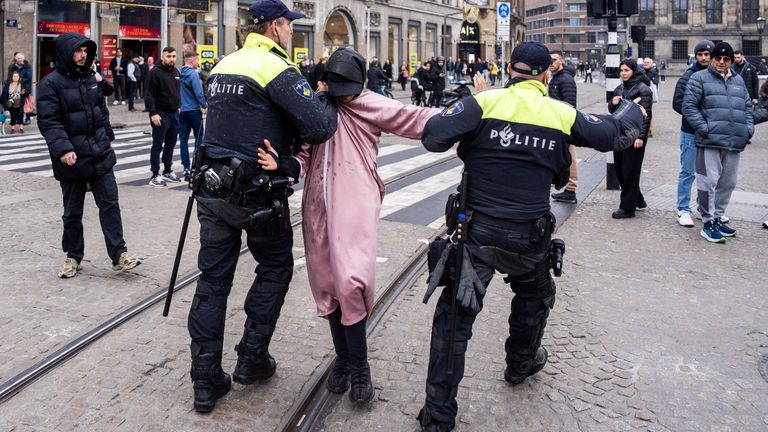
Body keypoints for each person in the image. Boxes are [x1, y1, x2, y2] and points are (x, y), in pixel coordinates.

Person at [416, 41, 645, 432]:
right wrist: (630, 105)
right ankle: (520, 364)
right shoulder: (559, 113)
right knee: (534, 298)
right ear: (545, 74)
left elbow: (433, 135)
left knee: (454, 320)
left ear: (510, 69)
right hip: (529, 238)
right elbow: (615, 133)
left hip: (476, 236)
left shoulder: (485, 103)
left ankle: (438, 415)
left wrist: (471, 104)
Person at [258, 47, 440, 404]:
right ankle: (342, 360)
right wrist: (281, 164)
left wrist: (468, 112)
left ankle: (360, 367)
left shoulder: (373, 104)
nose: (343, 97)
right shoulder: (316, 107)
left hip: (354, 202)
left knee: (351, 281)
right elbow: (304, 154)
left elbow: (414, 118)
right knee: (327, 285)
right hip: (317, 205)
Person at [185, 0, 337, 413]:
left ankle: (204, 380)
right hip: (258, 194)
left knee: (212, 281)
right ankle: (252, 357)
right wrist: (320, 97)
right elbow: (321, 127)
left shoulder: (222, 66)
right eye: (289, 26)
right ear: (275, 27)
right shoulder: (275, 67)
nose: (291, 32)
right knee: (275, 266)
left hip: (213, 190)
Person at [37, 32, 141, 278]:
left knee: (110, 204)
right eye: (78, 51)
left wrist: (109, 140)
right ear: (66, 52)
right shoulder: (50, 84)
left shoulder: (90, 78)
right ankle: (73, 256)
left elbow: (100, 112)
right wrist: (63, 149)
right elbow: (49, 122)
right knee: (73, 212)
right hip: (71, 159)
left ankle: (119, 254)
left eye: (86, 51)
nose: (83, 55)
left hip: (100, 153)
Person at [683, 42, 752, 243]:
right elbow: (689, 107)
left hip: (734, 141)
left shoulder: (738, 81)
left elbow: (747, 107)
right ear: (712, 59)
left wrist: (748, 130)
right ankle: (707, 221)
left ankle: (718, 217)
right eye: (718, 58)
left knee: (727, 183)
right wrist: (705, 129)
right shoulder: (699, 78)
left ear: (731, 61)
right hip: (709, 141)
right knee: (708, 183)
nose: (722, 62)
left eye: (726, 59)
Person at [672, 40, 713, 227]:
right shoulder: (688, 76)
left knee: (709, 174)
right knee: (688, 172)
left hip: (712, 132)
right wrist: (698, 118)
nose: (703, 58)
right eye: (700, 54)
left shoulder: (719, 75)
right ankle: (682, 208)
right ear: (696, 56)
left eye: (706, 54)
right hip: (690, 131)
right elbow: (677, 102)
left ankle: (704, 209)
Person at [609, 58, 653, 219]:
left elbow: (646, 116)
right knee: (620, 169)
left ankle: (627, 208)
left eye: (626, 70)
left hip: (635, 135)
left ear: (633, 71)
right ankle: (638, 199)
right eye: (621, 71)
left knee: (630, 170)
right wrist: (613, 103)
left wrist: (641, 137)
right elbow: (614, 111)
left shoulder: (643, 90)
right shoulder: (619, 88)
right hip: (620, 134)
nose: (623, 73)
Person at [144, 46, 181, 187]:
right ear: (162, 57)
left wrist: (179, 106)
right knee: (157, 145)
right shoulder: (155, 72)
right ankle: (154, 175)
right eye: (168, 56)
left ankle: (167, 171)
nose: (171, 59)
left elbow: (176, 92)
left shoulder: (176, 72)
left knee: (170, 145)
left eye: (173, 56)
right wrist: (153, 113)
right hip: (160, 114)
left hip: (174, 114)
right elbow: (149, 95)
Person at [548, 50, 579, 204]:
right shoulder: (555, 78)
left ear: (561, 60)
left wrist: (563, 124)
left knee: (570, 156)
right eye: (549, 60)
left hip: (563, 124)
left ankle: (571, 190)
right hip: (556, 123)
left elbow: (569, 104)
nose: (551, 63)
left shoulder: (565, 79)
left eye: (554, 60)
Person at [178, 50, 208, 181]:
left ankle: (185, 167)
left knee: (183, 140)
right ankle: (196, 166)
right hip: (194, 111)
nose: (198, 62)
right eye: (197, 60)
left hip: (182, 111)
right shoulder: (193, 75)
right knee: (199, 138)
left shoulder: (178, 73)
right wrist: (205, 105)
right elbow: (198, 93)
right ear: (192, 61)